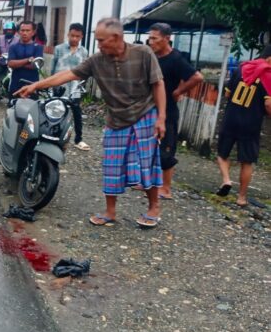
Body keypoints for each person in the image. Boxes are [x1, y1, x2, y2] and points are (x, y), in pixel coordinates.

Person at [15, 17, 167, 229]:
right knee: (111, 166)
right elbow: (69, 74)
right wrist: (36, 86)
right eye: (97, 40)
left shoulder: (143, 53)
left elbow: (158, 84)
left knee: (147, 163)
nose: (99, 45)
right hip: (116, 118)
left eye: (102, 40)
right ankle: (110, 211)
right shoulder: (97, 60)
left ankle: (153, 207)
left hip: (145, 114)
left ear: (116, 38)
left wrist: (161, 118)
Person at [147, 22, 204, 199]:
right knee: (148, 148)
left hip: (168, 112)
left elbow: (197, 77)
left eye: (154, 39)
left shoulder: (176, 59)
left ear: (167, 39)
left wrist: (179, 91)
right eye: (150, 38)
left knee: (166, 150)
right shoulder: (152, 56)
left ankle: (166, 188)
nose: (150, 42)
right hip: (149, 109)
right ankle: (148, 182)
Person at [215, 45, 271, 207]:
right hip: (251, 123)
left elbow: (227, 93)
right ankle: (241, 197)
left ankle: (226, 180)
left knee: (222, 154)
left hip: (231, 119)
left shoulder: (242, 68)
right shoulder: (268, 76)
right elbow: (268, 105)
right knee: (247, 161)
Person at [51, 23, 90, 150]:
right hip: (59, 86)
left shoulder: (84, 52)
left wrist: (82, 85)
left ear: (81, 37)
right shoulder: (58, 49)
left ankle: (78, 139)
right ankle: (54, 137)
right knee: (56, 112)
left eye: (77, 36)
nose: (74, 38)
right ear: (68, 34)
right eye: (72, 35)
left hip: (75, 88)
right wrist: (51, 83)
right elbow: (53, 68)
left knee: (77, 113)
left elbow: (85, 71)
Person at [6, 21, 43, 101]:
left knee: (31, 111)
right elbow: (10, 64)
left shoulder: (38, 47)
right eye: (22, 30)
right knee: (13, 109)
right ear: (19, 32)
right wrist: (28, 60)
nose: (24, 33)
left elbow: (36, 66)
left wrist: (18, 63)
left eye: (27, 30)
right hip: (15, 84)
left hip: (32, 85)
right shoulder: (13, 47)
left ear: (33, 32)